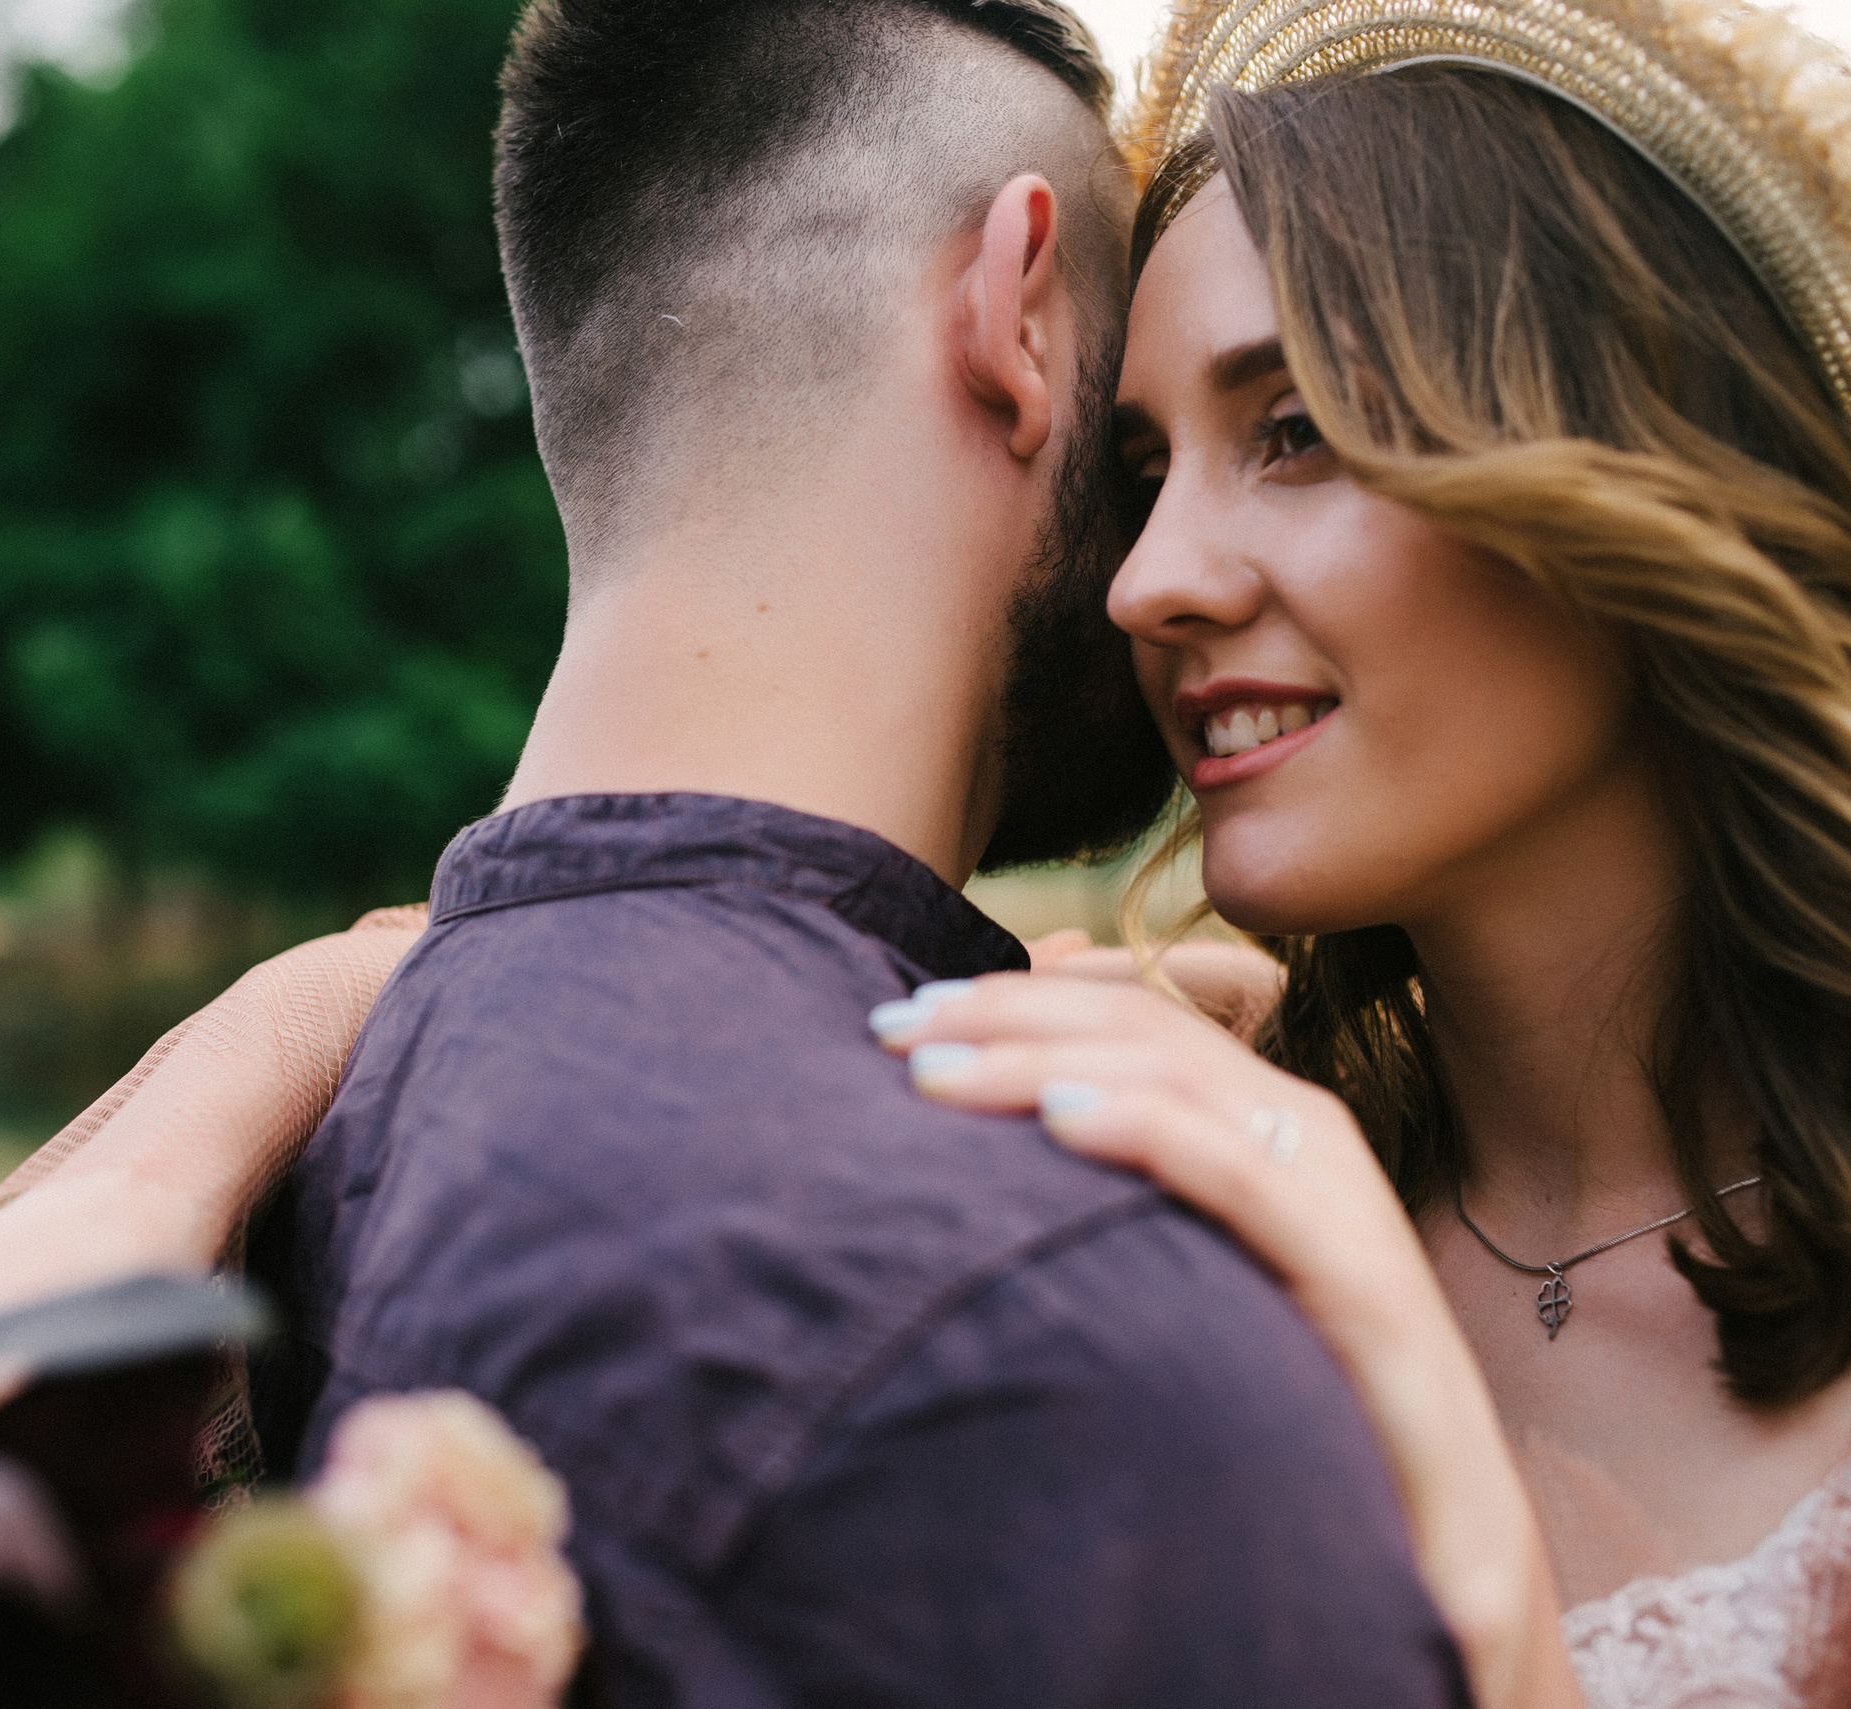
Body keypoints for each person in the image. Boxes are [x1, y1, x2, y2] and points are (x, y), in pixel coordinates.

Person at [228, 1, 1467, 1705]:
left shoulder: (332, 1139)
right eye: (1137, 437)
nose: (1170, 561)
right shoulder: (1071, 1336)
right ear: (1017, 309)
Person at [881, 1, 1851, 1705]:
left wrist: (1410, 1405)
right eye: (1146, 470)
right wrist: (377, 994)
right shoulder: (1204, 1100)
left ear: (1656, 472)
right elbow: (653, 972)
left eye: (1295, 426)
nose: (1146, 581)